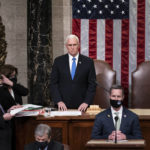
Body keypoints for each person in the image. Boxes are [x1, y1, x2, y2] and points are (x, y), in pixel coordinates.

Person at [50, 34, 96, 111]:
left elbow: (92, 84)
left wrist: (86, 102)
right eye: (70, 45)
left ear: (78, 45)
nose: (72, 47)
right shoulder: (58, 61)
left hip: (82, 106)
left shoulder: (88, 62)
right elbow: (53, 83)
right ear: (66, 46)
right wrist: (58, 101)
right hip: (62, 106)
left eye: (74, 45)